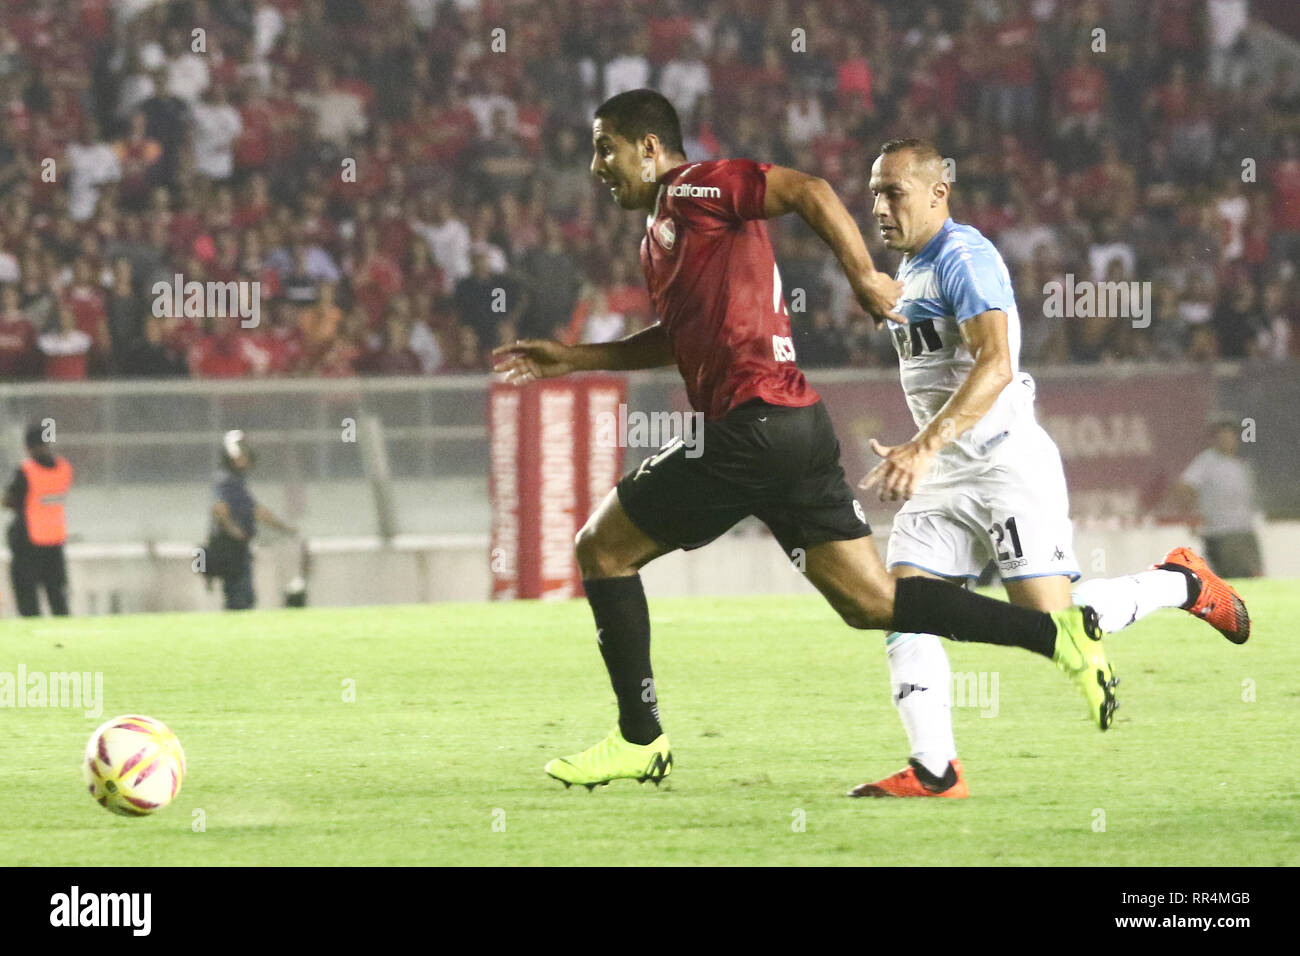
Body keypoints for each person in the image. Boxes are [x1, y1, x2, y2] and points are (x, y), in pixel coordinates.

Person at [493, 90, 1117, 794]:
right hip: (793, 429)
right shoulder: (660, 237)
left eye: (605, 145)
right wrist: (573, 359)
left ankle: (641, 739)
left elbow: (808, 189)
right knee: (873, 603)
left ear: (648, 147)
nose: (595, 164)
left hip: (749, 427)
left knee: (601, 548)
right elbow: (678, 339)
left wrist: (860, 276)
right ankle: (1058, 637)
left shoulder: (695, 186)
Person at [855, 139, 1250, 798]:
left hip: (1005, 463)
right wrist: (928, 450)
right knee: (905, 603)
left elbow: (995, 364)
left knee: (1051, 619)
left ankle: (1180, 582)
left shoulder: (964, 258)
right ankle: (934, 768)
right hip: (946, 470)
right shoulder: (906, 269)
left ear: (936, 193)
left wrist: (922, 446)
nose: (879, 206)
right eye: (873, 193)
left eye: (892, 191)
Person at [207, 430, 297, 610]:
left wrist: (283, 528)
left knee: (243, 596)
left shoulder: (235, 481)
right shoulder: (227, 480)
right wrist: (236, 532)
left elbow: (255, 511)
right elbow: (220, 509)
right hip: (229, 547)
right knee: (239, 597)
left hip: (237, 547)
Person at [1168, 419, 1263, 578]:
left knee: (1253, 576)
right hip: (1223, 533)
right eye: (1222, 437)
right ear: (1214, 440)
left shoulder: (1238, 462)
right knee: (1236, 578)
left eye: (1231, 437)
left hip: (1244, 530)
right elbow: (1184, 487)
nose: (1227, 441)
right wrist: (1190, 515)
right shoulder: (1208, 461)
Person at [2, 423, 73, 616]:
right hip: (55, 541)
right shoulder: (64, 468)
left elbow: (9, 500)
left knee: (27, 598)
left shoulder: (26, 471)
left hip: (28, 543)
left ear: (27, 446)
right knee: (57, 596)